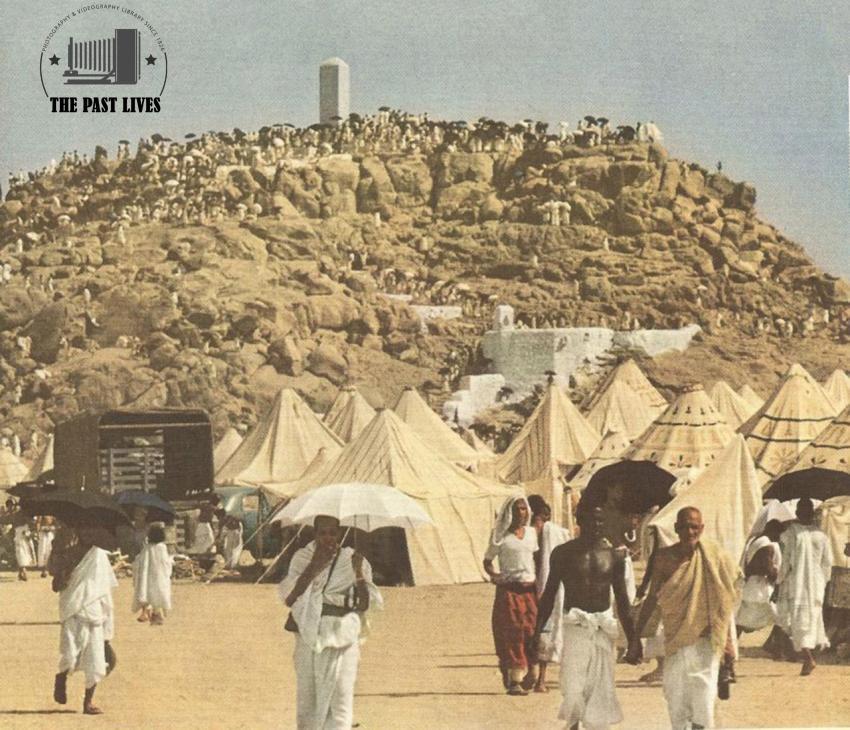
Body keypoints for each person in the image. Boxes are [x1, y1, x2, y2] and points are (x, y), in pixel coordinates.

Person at [628, 507, 740, 730]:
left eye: (694, 527)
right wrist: (634, 638)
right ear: (676, 528)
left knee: (704, 698)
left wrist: (728, 642)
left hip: (705, 640)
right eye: (685, 526)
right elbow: (651, 599)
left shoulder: (713, 556)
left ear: (701, 529)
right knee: (675, 694)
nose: (690, 531)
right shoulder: (663, 558)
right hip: (676, 639)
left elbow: (724, 601)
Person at [536, 499, 639, 730]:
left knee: (600, 692)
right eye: (592, 520)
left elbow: (622, 601)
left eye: (601, 520)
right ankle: (573, 725)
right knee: (573, 689)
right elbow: (549, 594)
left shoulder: (614, 556)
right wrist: (537, 632)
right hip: (576, 628)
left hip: (602, 628)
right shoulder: (563, 554)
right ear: (579, 520)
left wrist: (633, 640)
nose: (597, 525)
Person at [279, 515, 382, 730]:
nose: (327, 538)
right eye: (322, 533)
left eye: (332, 533)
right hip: (309, 634)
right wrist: (314, 566)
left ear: (339, 533)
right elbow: (290, 598)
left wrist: (358, 574)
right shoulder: (302, 557)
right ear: (314, 534)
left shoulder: (352, 558)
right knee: (308, 699)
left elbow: (364, 604)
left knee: (341, 699)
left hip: (341, 634)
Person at [51, 524, 118, 716]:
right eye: (84, 530)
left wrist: (108, 631)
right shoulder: (67, 554)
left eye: (91, 530)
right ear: (78, 532)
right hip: (72, 609)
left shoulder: (100, 557)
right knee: (70, 653)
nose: (88, 533)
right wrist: (63, 575)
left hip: (95, 612)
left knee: (96, 659)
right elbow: (56, 585)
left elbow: (105, 590)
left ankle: (88, 702)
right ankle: (62, 677)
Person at [483, 495, 539, 695]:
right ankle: (515, 679)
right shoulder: (500, 536)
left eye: (524, 509)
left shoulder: (532, 534)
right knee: (513, 632)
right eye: (517, 509)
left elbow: (537, 559)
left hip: (530, 590)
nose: (522, 513)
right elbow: (487, 561)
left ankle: (531, 672)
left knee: (532, 631)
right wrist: (495, 576)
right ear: (509, 512)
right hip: (509, 590)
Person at [776, 497, 833, 675]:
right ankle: (808, 656)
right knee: (810, 621)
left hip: (799, 584)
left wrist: (779, 580)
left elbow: (785, 562)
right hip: (815, 585)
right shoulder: (821, 535)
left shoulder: (790, 533)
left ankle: (808, 658)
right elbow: (827, 564)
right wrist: (822, 581)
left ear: (799, 512)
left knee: (798, 622)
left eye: (803, 508)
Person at [528, 495, 571, 693]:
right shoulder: (529, 534)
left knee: (544, 629)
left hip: (545, 586)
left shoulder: (549, 532)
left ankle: (540, 678)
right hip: (531, 586)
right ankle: (533, 674)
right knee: (532, 631)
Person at [737, 520, 783, 635]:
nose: (779, 537)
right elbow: (767, 568)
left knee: (742, 620)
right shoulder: (767, 545)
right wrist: (778, 577)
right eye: (778, 534)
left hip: (752, 586)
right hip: (758, 589)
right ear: (773, 531)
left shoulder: (756, 540)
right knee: (780, 618)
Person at [132, 524, 173, 625]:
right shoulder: (162, 547)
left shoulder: (147, 548)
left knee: (146, 591)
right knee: (158, 592)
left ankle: (147, 612)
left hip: (147, 574)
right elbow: (165, 563)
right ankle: (156, 613)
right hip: (159, 575)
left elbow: (140, 561)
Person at [13, 514, 36, 581]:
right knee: (21, 555)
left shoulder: (25, 525)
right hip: (20, 540)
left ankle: (21, 573)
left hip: (24, 541)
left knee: (24, 556)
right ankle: (24, 573)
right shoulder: (19, 526)